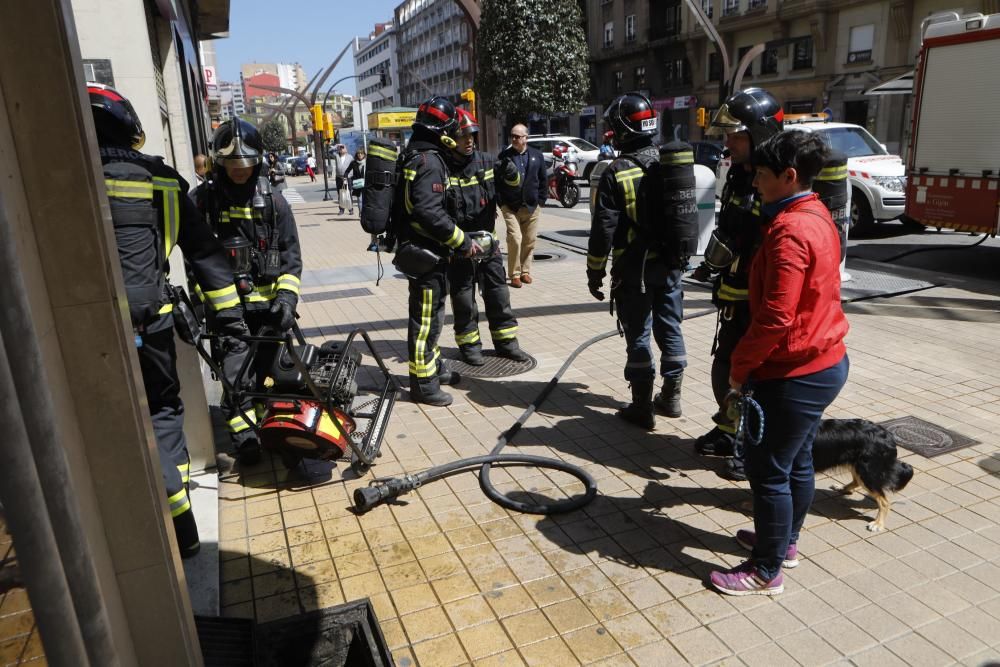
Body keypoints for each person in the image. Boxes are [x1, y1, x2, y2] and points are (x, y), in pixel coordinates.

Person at [88, 83, 244, 558]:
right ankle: (184, 531)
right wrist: (230, 317)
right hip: (151, 325)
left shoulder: (52, 172)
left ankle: (114, 530)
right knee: (161, 412)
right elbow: (206, 256)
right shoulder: (162, 178)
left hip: (81, 333)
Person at [708, 130, 850, 597]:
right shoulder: (815, 213)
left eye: (763, 176)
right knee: (797, 461)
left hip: (795, 371)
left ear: (790, 177)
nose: (755, 183)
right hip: (823, 361)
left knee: (767, 470)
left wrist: (739, 367)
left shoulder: (790, 230)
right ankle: (783, 543)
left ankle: (766, 571)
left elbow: (775, 316)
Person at [194, 119, 303, 465]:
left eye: (246, 165)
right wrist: (210, 303)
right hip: (228, 312)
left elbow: (291, 257)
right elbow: (194, 260)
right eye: (232, 165)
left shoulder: (275, 203)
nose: (239, 172)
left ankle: (272, 427)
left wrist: (286, 299)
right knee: (236, 374)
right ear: (218, 163)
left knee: (273, 375)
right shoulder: (203, 203)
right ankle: (244, 437)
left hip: (270, 312)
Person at [694, 87, 784, 481]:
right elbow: (732, 228)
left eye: (736, 135)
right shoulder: (739, 174)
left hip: (760, 302)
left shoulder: (776, 182)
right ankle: (729, 430)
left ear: (761, 134)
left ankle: (753, 446)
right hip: (733, 294)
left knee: (756, 378)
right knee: (725, 368)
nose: (727, 143)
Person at [586, 92, 691, 430]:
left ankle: (642, 407)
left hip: (635, 270)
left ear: (622, 130)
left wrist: (594, 271)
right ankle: (672, 397)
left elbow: (603, 230)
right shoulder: (668, 164)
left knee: (639, 336)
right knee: (671, 328)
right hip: (671, 264)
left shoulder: (616, 171)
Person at [394, 96, 475, 407]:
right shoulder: (429, 161)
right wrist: (463, 242)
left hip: (422, 251)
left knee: (432, 318)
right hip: (427, 255)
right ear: (442, 132)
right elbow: (429, 213)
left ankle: (435, 368)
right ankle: (423, 384)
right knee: (427, 321)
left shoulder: (415, 154)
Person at [445, 109, 530, 366]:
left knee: (498, 293)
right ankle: (470, 346)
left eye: (472, 134)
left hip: (487, 242)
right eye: (462, 135)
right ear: (450, 138)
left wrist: (510, 170)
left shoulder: (487, 161)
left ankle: (506, 343)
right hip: (460, 245)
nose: (469, 140)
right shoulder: (443, 167)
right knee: (463, 297)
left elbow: (514, 186)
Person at [497, 123, 546, 288]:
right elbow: (496, 182)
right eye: (512, 136)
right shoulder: (504, 156)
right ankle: (515, 274)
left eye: (517, 136)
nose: (514, 139)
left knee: (529, 240)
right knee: (516, 239)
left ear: (526, 138)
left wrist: (541, 201)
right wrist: (501, 203)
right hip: (511, 207)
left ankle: (525, 272)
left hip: (532, 206)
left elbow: (542, 180)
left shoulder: (537, 156)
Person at [333, 144, 354, 214]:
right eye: (340, 148)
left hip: (347, 178)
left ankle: (350, 209)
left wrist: (350, 175)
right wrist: (336, 146)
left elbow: (353, 167)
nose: (341, 149)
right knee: (340, 194)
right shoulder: (337, 156)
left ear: (346, 149)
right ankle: (341, 209)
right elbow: (330, 151)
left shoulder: (350, 157)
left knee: (348, 193)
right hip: (339, 177)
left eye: (343, 148)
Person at [344, 149, 366, 213]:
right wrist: (345, 177)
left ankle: (365, 213)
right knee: (360, 199)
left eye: (361, 153)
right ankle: (361, 213)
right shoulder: (354, 163)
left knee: (366, 200)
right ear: (356, 155)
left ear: (364, 155)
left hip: (366, 183)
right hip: (358, 183)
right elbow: (347, 171)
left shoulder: (367, 162)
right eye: (358, 153)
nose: (360, 155)